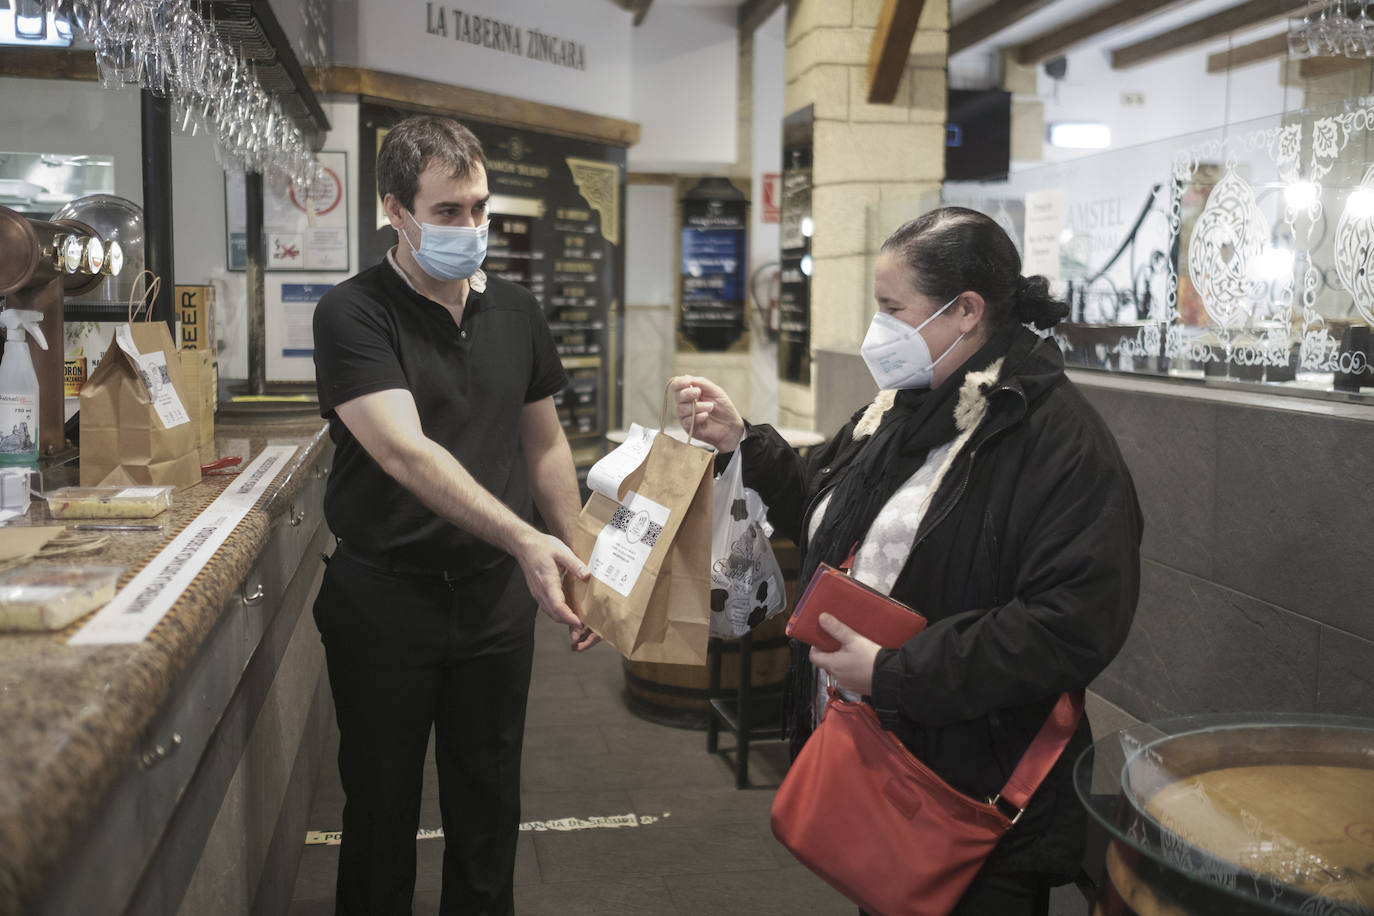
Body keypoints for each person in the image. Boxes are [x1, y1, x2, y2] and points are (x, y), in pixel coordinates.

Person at [670, 206, 1142, 915]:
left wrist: (896, 671)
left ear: (965, 312)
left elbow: (1072, 624)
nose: (878, 329)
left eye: (893, 308)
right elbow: (831, 514)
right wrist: (747, 443)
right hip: (884, 767)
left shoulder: (1055, 441)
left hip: (972, 799)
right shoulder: (902, 408)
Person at [311, 114, 597, 916]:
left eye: (478, 208)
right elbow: (403, 451)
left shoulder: (517, 311)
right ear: (395, 211)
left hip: (491, 603)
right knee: (379, 812)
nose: (470, 228)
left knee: (487, 811)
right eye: (447, 212)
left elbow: (543, 446)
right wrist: (524, 538)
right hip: (384, 598)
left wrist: (574, 557)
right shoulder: (353, 313)